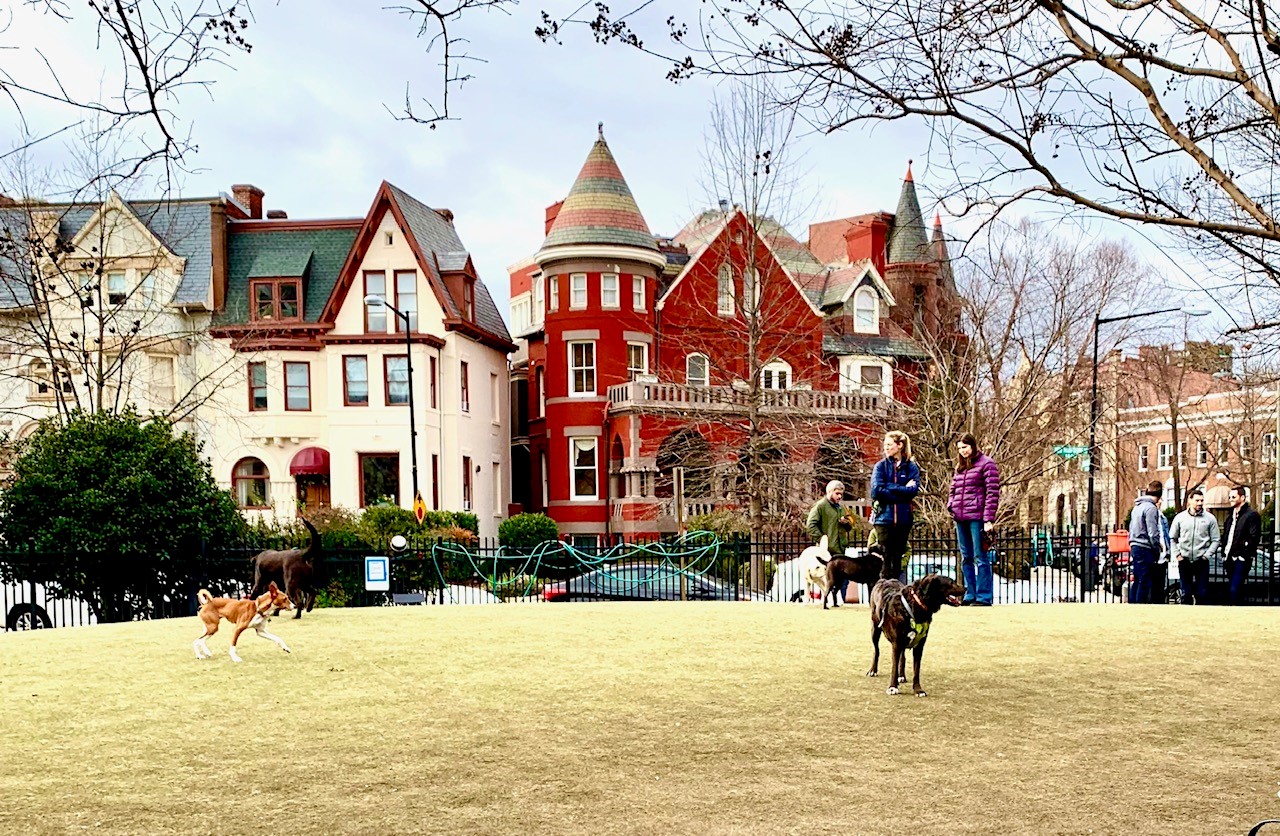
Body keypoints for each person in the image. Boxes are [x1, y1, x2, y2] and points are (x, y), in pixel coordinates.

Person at [947, 433, 1000, 607]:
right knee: (966, 557)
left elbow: (992, 492)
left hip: (977, 517)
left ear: (973, 446)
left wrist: (988, 519)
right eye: (960, 448)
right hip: (960, 517)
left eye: (965, 447)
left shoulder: (987, 464)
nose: (962, 451)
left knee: (980, 556)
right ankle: (970, 593)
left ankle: (984, 596)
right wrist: (951, 505)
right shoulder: (959, 468)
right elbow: (953, 489)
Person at [869, 430, 920, 581]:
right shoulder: (880, 467)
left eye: (889, 444)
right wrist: (901, 491)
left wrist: (890, 487)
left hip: (904, 519)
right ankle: (883, 591)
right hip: (884, 519)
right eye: (885, 445)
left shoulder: (911, 467)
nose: (886, 448)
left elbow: (913, 491)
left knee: (897, 557)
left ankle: (896, 591)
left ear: (900, 445)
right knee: (886, 557)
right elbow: (876, 491)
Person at [1168, 488, 1219, 605]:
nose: (1200, 503)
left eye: (1202, 500)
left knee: (1202, 592)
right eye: (1197, 500)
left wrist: (1206, 556)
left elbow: (1216, 540)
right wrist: (1178, 555)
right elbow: (1172, 538)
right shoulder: (1180, 518)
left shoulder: (1210, 519)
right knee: (1186, 592)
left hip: (1201, 560)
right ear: (1190, 501)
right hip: (1184, 559)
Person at [1219, 486, 1261, 606]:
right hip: (1229, 557)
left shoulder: (1251, 515)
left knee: (1235, 589)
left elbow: (1254, 537)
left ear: (1242, 498)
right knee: (1234, 588)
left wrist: (1243, 554)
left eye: (1233, 497)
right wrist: (1224, 553)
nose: (1230, 499)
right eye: (1230, 497)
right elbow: (1227, 536)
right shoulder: (1230, 516)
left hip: (1241, 559)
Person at [1127, 481, 1166, 604]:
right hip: (1144, 546)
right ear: (1160, 494)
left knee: (1138, 579)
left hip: (1135, 544)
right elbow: (1152, 532)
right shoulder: (1151, 508)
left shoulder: (1137, 507)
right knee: (1145, 580)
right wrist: (1156, 548)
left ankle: (1132, 604)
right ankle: (1139, 606)